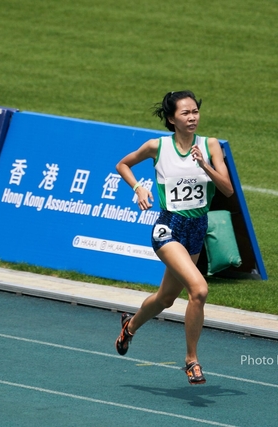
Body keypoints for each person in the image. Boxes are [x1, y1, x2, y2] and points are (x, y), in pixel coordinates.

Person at [114, 90, 234, 385]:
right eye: (185, 113)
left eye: (195, 111)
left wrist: (204, 164)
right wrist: (138, 189)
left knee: (166, 298)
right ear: (171, 119)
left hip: (196, 229)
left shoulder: (211, 145)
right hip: (168, 228)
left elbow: (228, 189)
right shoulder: (158, 146)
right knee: (199, 290)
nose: (192, 117)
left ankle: (130, 326)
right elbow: (123, 164)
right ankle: (191, 360)